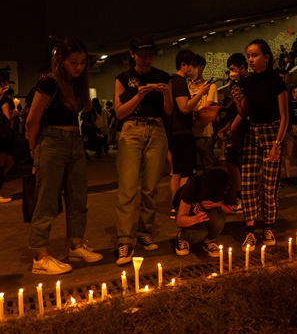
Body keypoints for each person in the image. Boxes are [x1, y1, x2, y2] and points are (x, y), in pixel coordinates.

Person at [25, 37, 103, 275]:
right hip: (51, 141)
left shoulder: (76, 84)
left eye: (82, 62)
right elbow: (32, 120)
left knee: (78, 198)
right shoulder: (49, 83)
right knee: (47, 200)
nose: (78, 67)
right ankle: (40, 256)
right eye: (73, 62)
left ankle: (76, 245)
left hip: (75, 141)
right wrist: (33, 150)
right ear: (60, 60)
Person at [113, 35, 173, 265]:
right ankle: (125, 241)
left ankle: (144, 232)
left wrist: (165, 93)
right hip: (131, 129)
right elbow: (119, 113)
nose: (147, 60)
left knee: (150, 187)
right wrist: (139, 95)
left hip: (157, 129)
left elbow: (168, 112)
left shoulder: (162, 77)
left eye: (150, 55)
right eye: (142, 55)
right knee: (127, 187)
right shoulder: (123, 78)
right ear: (132, 55)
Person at [233, 39, 288, 252]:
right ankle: (249, 231)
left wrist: (277, 144)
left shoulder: (276, 81)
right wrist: (238, 101)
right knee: (247, 183)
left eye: (255, 55)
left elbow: (284, 117)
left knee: (269, 183)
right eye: (248, 56)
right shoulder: (248, 82)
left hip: (271, 132)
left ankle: (267, 226)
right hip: (251, 132)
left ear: (266, 57)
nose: (250, 60)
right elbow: (243, 113)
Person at [168, 50, 210, 220]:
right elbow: (184, 107)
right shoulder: (178, 82)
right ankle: (183, 209)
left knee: (176, 172)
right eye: (192, 66)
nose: (194, 69)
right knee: (187, 173)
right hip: (182, 133)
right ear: (183, 65)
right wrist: (200, 93)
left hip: (174, 133)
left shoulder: (172, 81)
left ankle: (175, 206)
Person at [174, 168, 236, 257]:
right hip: (190, 214)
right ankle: (183, 237)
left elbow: (229, 209)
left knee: (219, 218)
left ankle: (209, 240)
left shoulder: (227, 186)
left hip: (209, 213)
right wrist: (195, 219)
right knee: (200, 233)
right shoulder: (195, 184)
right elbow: (179, 221)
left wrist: (218, 204)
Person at [217, 53, 250, 213]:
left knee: (233, 162)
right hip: (236, 129)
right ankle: (239, 197)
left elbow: (242, 112)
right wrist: (226, 128)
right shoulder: (236, 85)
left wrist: (230, 130)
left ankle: (240, 198)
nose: (231, 73)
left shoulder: (246, 84)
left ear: (242, 68)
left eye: (233, 69)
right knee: (233, 162)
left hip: (244, 130)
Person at [189, 55, 219, 172]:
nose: (191, 69)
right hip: (188, 132)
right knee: (190, 168)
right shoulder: (186, 86)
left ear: (201, 68)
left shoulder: (210, 86)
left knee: (208, 166)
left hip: (204, 132)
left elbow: (206, 108)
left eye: (195, 66)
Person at [282, 86, 297, 186]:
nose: (295, 94)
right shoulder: (288, 104)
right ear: (290, 93)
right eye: (294, 92)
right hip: (290, 130)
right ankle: (288, 177)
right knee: (288, 154)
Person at [0, 79, 16, 203]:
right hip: (2, 135)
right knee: (2, 163)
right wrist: (15, 112)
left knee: (9, 162)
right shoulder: (4, 99)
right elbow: (7, 118)